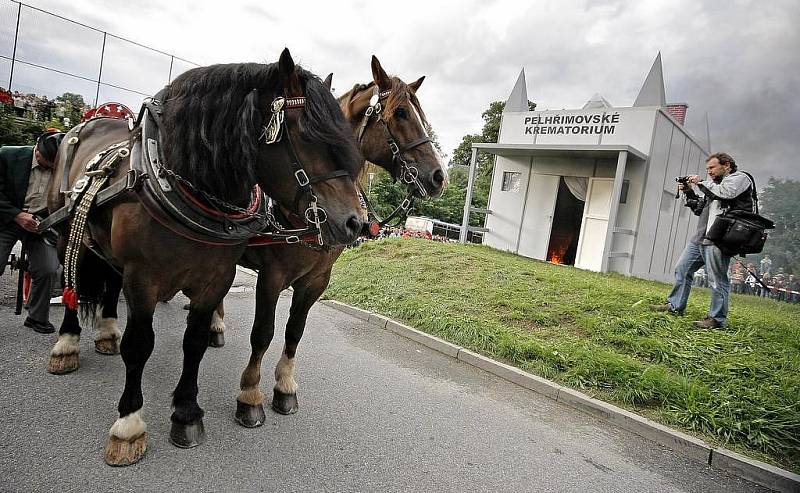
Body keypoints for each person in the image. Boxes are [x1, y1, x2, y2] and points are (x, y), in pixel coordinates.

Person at [651, 152, 753, 328]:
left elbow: (725, 194)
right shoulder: (713, 185)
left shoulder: (740, 178)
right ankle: (675, 306)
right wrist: (690, 192)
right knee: (682, 269)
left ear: (726, 165)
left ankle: (717, 319)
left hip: (720, 238)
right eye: (707, 169)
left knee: (716, 279)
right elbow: (700, 209)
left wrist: (699, 183)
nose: (709, 172)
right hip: (701, 236)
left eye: (712, 167)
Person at [0, 131, 64, 333]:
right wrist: (18, 215)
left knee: (48, 268)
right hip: (7, 219)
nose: (50, 167)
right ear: (37, 151)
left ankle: (36, 318)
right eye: (46, 161)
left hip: (41, 223)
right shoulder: (7, 155)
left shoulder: (64, 166)